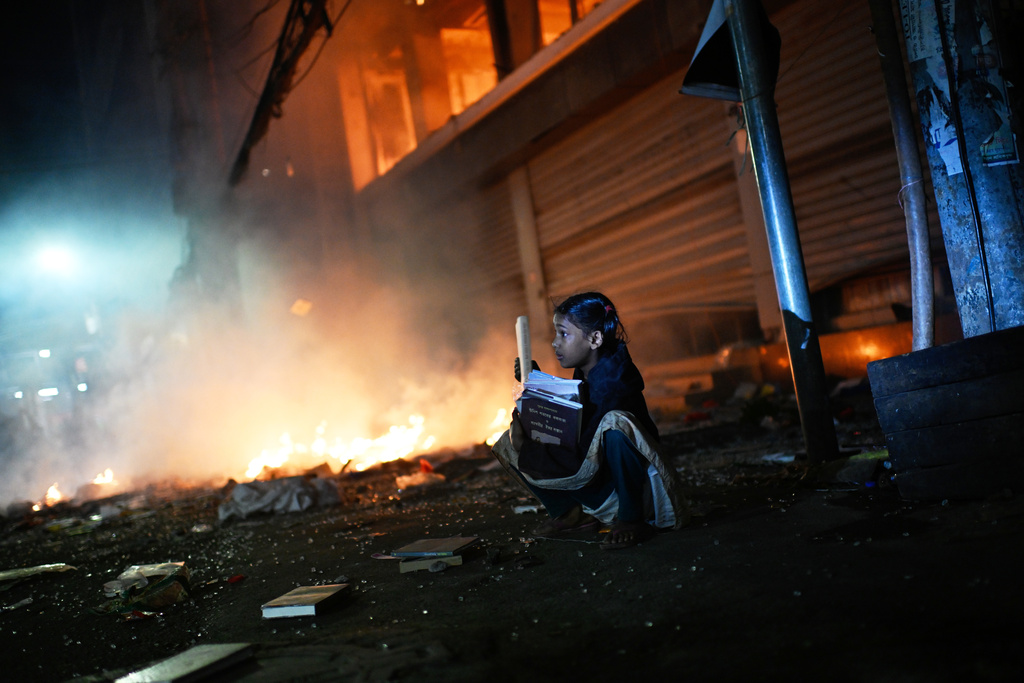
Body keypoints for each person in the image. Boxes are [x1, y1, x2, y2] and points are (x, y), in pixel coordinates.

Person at [491, 292, 689, 550]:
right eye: (555, 333)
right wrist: (536, 387)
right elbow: (575, 421)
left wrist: (527, 447)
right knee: (507, 442)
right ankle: (573, 515)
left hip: (631, 494)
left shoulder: (615, 384)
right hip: (598, 489)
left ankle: (631, 521)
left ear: (595, 339)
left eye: (563, 334)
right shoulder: (590, 371)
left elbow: (582, 451)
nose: (554, 343)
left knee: (616, 424)